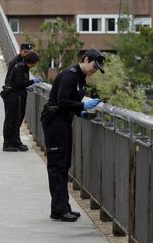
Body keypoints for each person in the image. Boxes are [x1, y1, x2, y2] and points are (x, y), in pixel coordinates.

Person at [42, 48, 105, 222]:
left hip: (64, 122)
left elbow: (71, 101)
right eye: (94, 66)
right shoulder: (69, 75)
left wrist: (79, 112)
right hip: (55, 123)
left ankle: (64, 206)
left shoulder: (80, 78)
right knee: (57, 167)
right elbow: (62, 101)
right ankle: (58, 209)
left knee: (64, 165)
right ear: (85, 59)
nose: (94, 70)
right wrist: (83, 106)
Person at [2, 51, 42, 152]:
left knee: (17, 120)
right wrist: (32, 81)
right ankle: (7, 144)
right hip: (12, 96)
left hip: (17, 95)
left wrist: (27, 87)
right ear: (32, 62)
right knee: (10, 120)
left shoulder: (24, 67)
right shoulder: (20, 67)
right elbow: (20, 83)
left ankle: (16, 141)